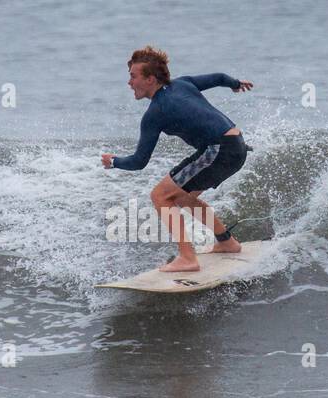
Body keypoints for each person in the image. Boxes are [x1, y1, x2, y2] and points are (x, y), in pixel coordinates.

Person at [101, 45, 253, 272]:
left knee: (160, 195)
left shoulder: (155, 113)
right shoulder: (183, 83)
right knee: (182, 197)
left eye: (133, 76)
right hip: (237, 144)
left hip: (219, 149)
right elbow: (220, 77)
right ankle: (227, 242)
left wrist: (114, 161)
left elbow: (139, 161)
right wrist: (236, 84)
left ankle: (187, 258)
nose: (129, 83)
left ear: (150, 79)